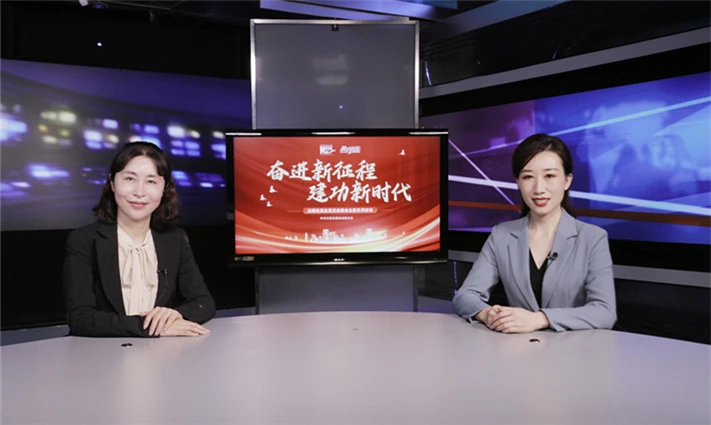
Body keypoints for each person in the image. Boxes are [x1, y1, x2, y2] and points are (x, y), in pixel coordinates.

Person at [453, 133, 617, 333]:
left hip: (574, 349)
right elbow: (465, 296)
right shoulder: (501, 235)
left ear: (567, 180)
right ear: (518, 181)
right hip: (516, 347)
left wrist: (541, 319)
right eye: (528, 177)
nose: (539, 188)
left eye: (549, 176)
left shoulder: (593, 238)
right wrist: (488, 314)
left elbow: (604, 312)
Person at [62, 141, 216, 337]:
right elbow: (80, 318)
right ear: (112, 183)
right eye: (129, 179)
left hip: (161, 351)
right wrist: (150, 327)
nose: (139, 192)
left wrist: (175, 315)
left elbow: (204, 302)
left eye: (151, 181)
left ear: (164, 188)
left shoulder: (174, 239)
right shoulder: (84, 239)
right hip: (102, 350)